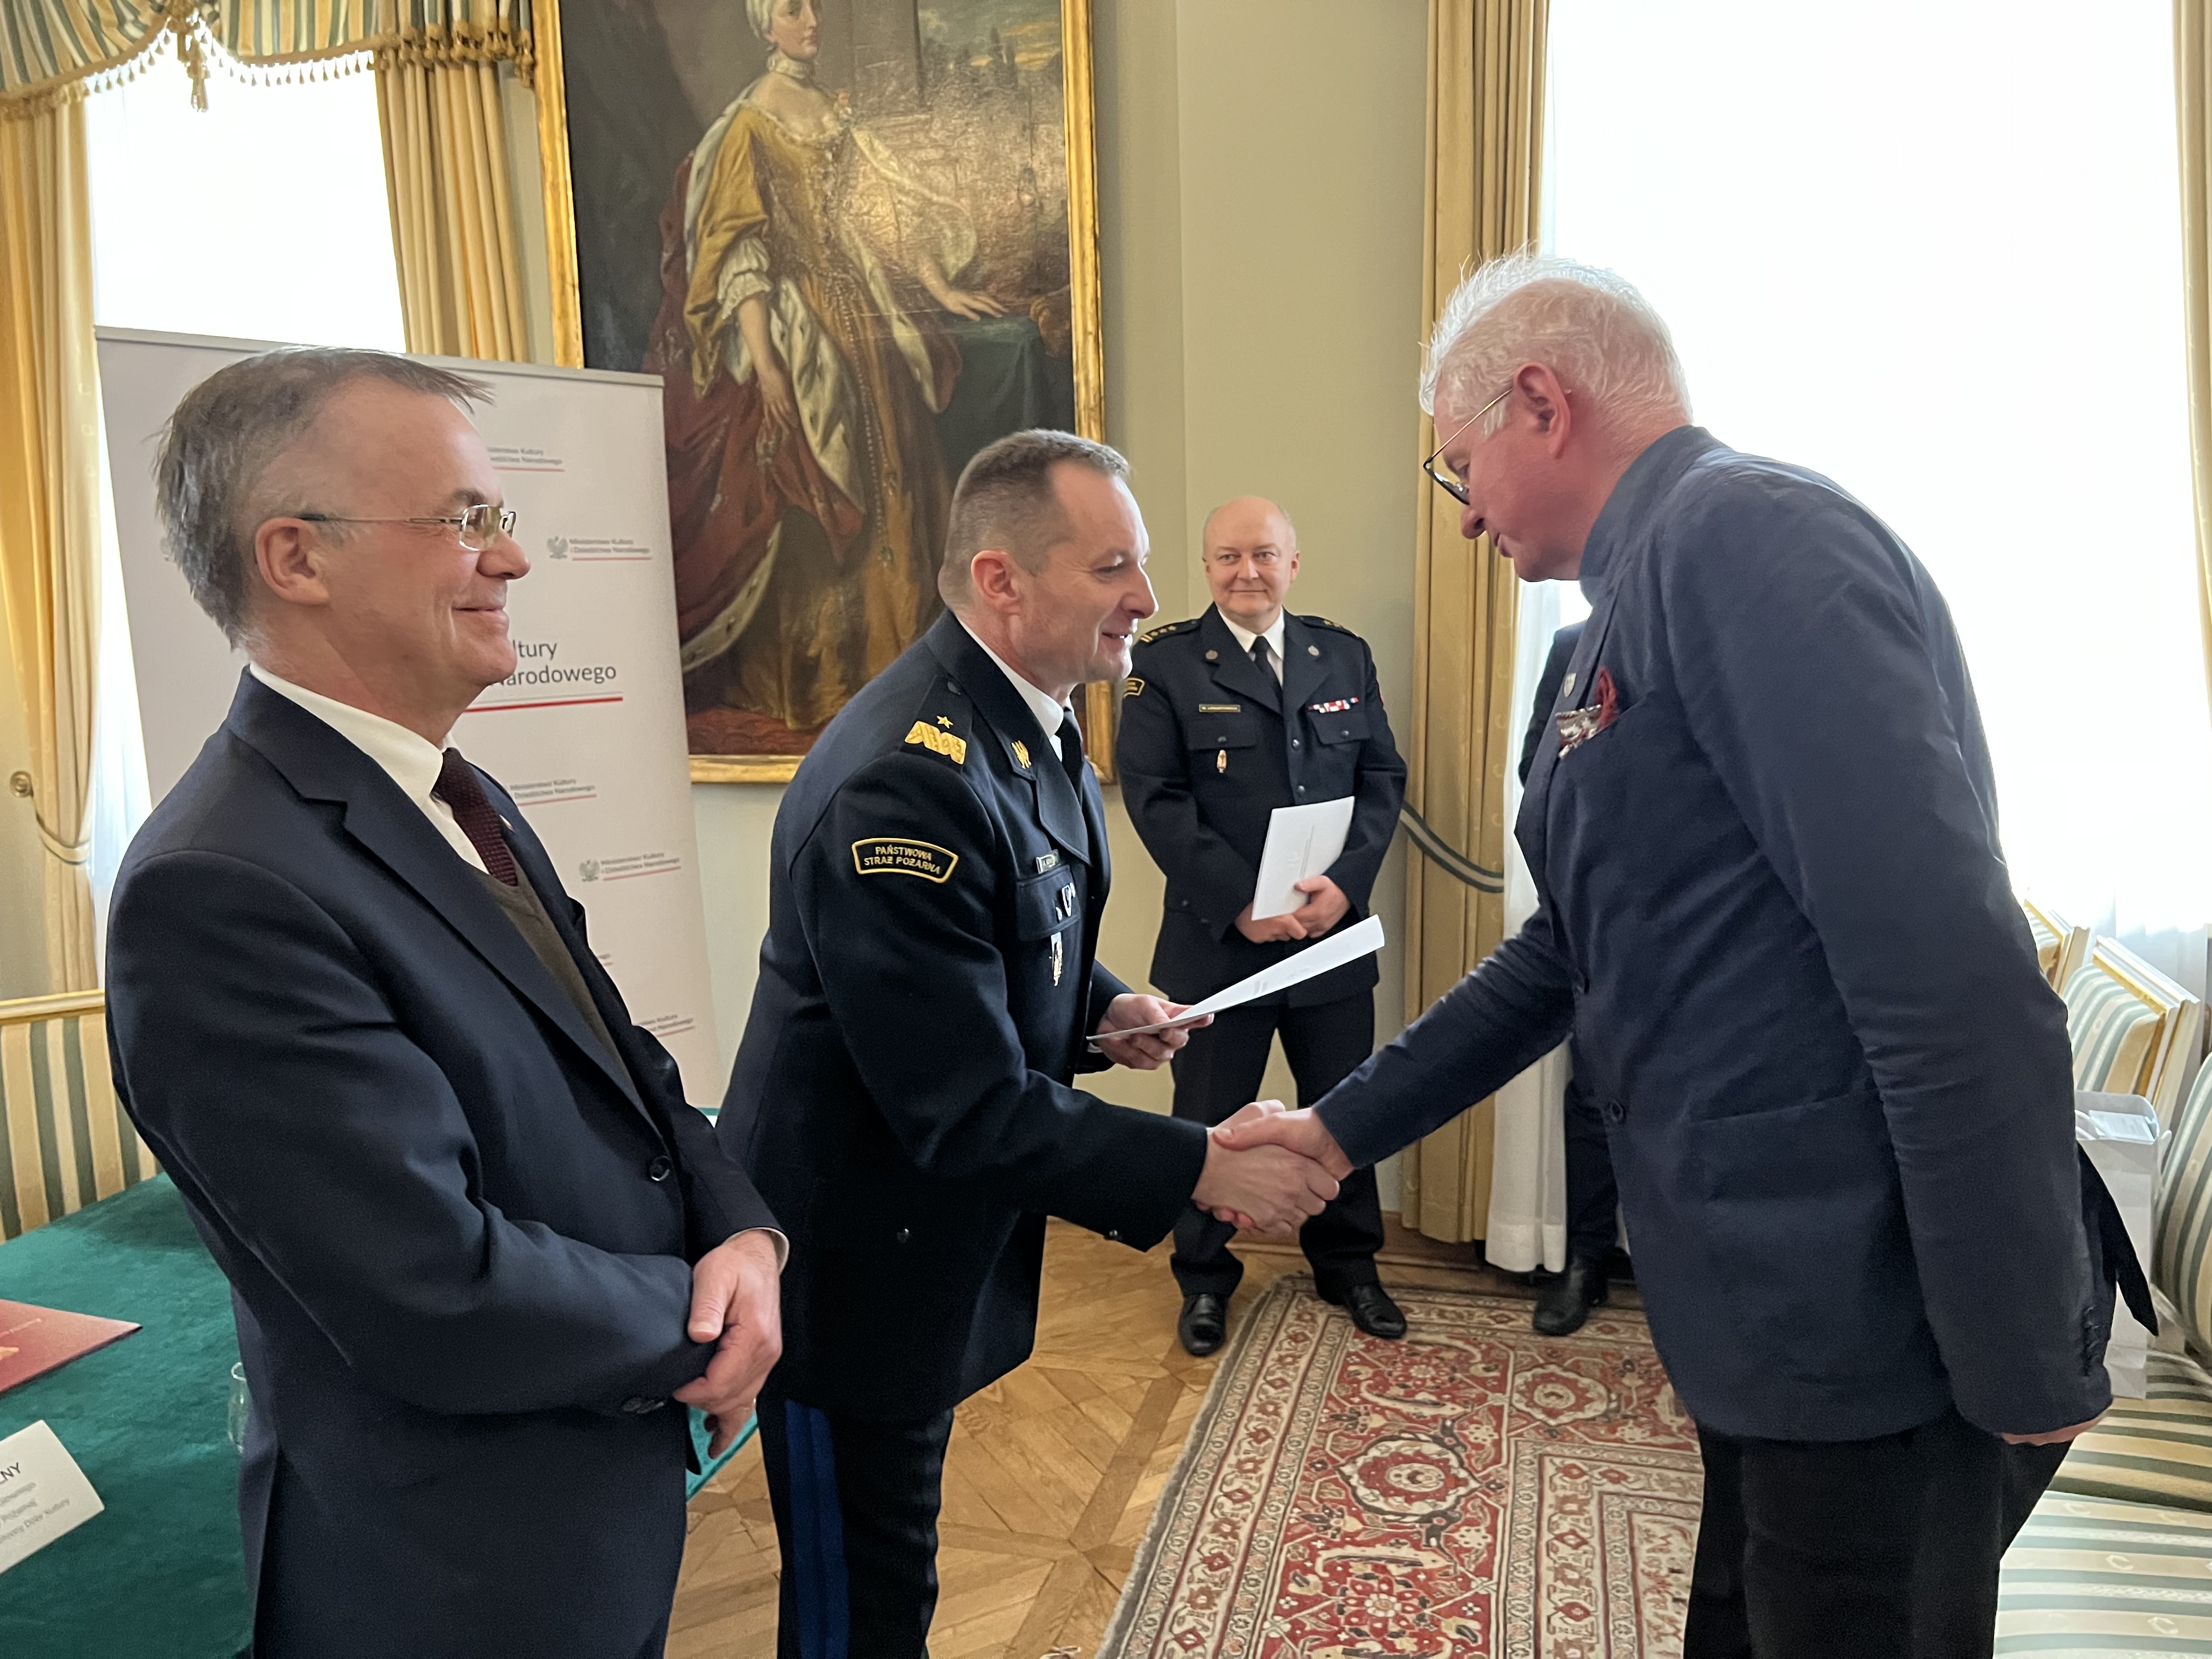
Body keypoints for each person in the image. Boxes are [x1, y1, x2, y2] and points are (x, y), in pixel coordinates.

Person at [1212, 257, 2118, 1657]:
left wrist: (2023, 1351)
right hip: (1757, 1313)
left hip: (1869, 1317)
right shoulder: (1603, 633)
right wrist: (1339, 1131)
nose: (1465, 516)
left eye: (1461, 469)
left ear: (1541, 403)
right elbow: (1563, 955)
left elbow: (1951, 979)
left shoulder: (1749, 542)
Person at [103, 349, 785, 1659]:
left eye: (500, 516)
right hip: (452, 1573)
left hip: (586, 1504)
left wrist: (743, 1233)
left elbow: (623, 1064)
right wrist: (704, 1315)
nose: (512, 559)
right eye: (466, 521)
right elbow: (430, 1284)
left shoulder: (457, 791)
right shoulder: (218, 887)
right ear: (296, 558)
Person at [718, 429, 1342, 1657]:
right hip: (856, 1264)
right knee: (858, 1603)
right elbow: (962, 1104)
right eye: (1114, 568)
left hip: (933, 1234)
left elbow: (1008, 928)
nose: (1149, 598)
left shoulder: (1028, 719)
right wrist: (1203, 1164)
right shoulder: (905, 781)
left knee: (899, 1567)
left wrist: (1100, 1007)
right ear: (1002, 580)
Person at [651, 0, 1006, 748]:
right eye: (793, 9)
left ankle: (904, 678)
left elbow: (880, 216)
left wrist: (940, 291)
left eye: (814, 6)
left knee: (901, 489)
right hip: (797, 327)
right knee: (817, 495)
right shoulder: (750, 124)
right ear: (766, 25)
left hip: (864, 322)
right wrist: (769, 366)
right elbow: (739, 251)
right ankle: (828, 688)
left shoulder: (833, 113)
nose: (812, 20)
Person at [1117, 496, 1409, 1355]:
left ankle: (1350, 1266)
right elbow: (1156, 800)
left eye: (1265, 555)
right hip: (1219, 943)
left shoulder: (1342, 654)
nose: (1247, 572)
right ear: (1207, 566)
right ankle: (1205, 1278)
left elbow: (1382, 778)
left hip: (1329, 936)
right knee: (1209, 1118)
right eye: (1228, 557)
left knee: (1348, 1107)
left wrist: (1345, 887)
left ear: (1293, 563)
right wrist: (1241, 902)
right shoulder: (1164, 666)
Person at [1515, 619, 1624, 1336]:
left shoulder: (1724, 629)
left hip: (1706, 935)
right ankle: (1586, 1259)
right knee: (1591, 1097)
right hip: (1595, 918)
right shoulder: (1573, 646)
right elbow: (1539, 776)